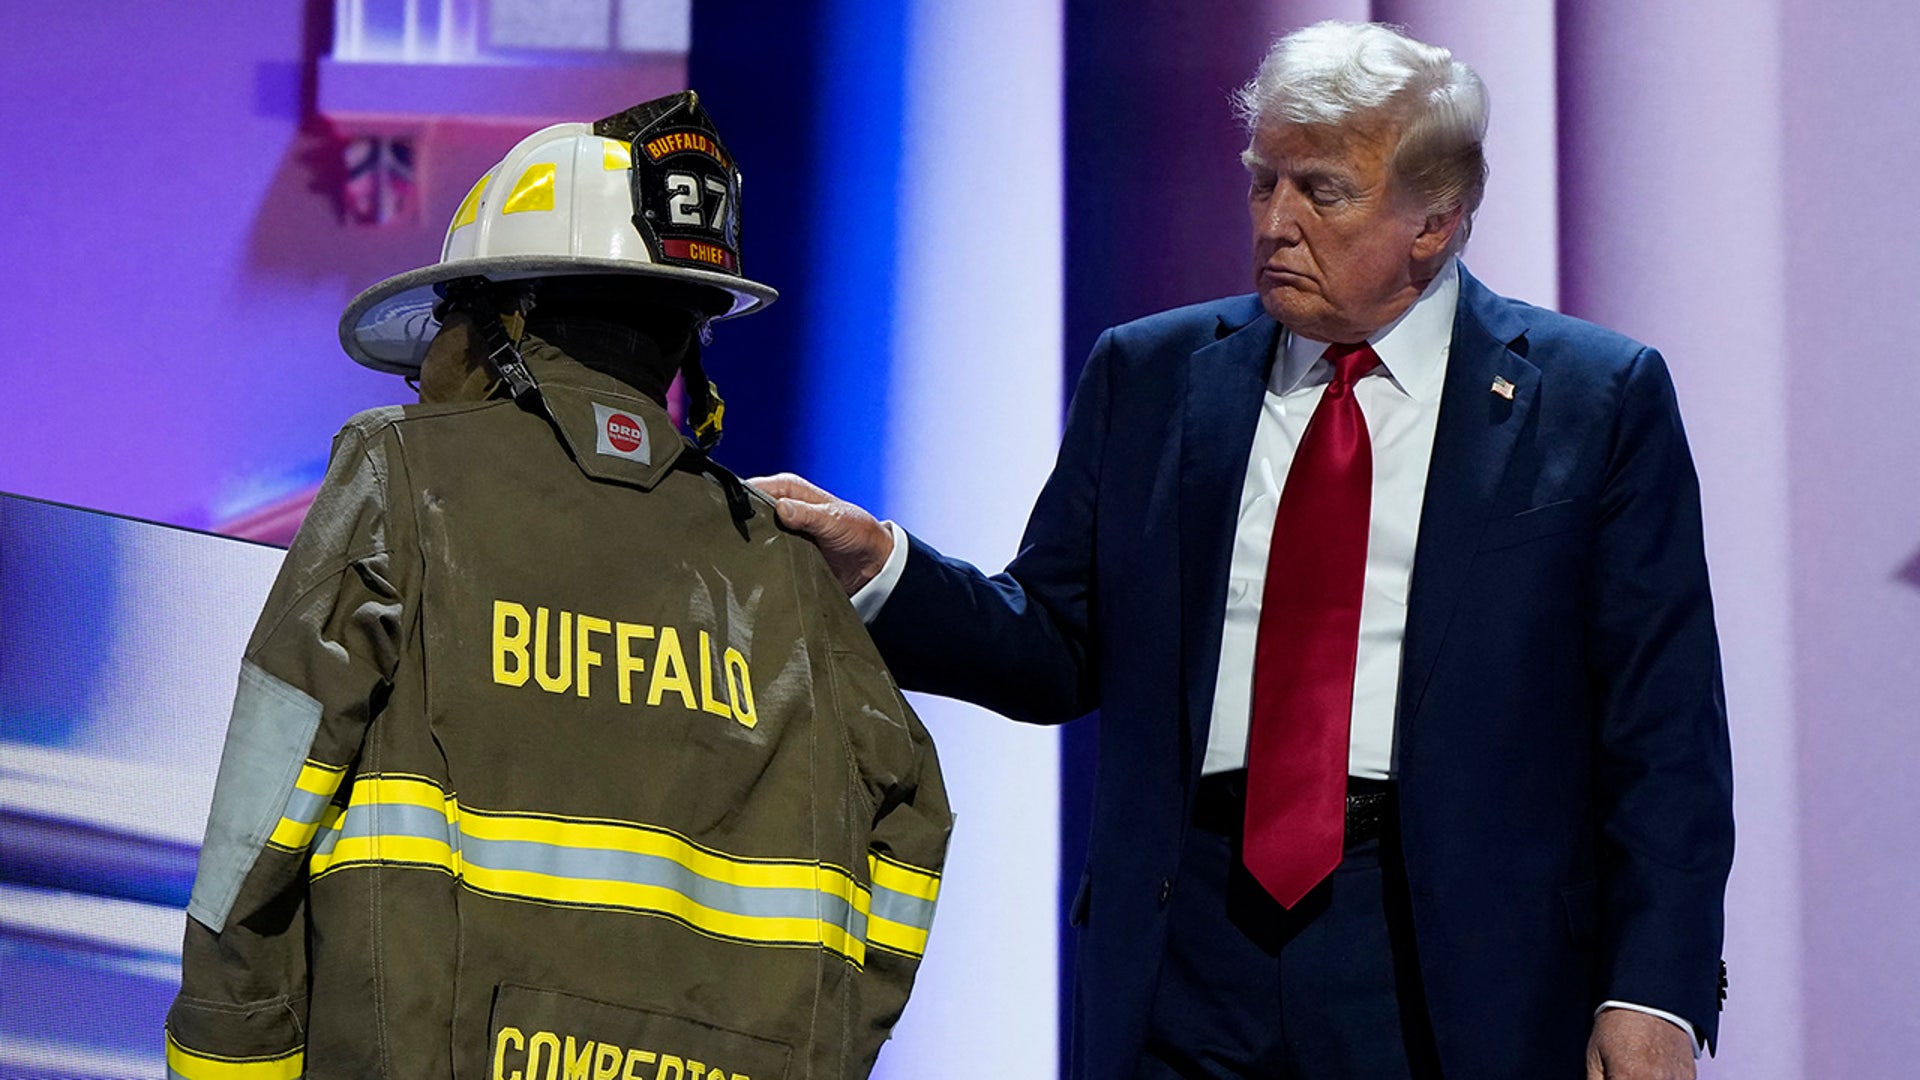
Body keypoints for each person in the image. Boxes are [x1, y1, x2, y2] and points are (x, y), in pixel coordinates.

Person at [754, 21, 1731, 1080]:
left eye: (1322, 191)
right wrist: (881, 566)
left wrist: (1655, 992)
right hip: (1191, 931)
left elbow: (1662, 727)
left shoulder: (1593, 398)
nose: (1276, 223)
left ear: (1436, 221)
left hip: (1442, 947)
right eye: (1262, 183)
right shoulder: (1153, 375)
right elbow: (1052, 640)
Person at [165, 92, 950, 1080]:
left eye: (446, 326)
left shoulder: (400, 477)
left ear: (507, 317)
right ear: (683, 341)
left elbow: (260, 808)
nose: (422, 378)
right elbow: (913, 827)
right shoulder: (792, 572)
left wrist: (227, 1056)